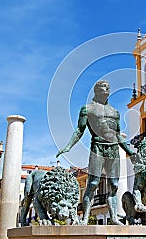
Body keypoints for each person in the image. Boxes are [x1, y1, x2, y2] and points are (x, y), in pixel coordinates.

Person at [56, 80, 135, 225]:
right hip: (97, 148)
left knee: (114, 184)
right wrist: (68, 146)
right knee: (92, 183)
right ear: (96, 91)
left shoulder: (115, 112)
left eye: (108, 88)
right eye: (102, 88)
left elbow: (118, 135)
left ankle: (114, 218)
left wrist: (129, 151)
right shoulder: (88, 109)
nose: (106, 90)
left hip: (113, 149)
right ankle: (85, 218)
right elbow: (79, 130)